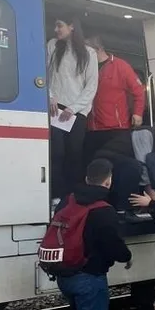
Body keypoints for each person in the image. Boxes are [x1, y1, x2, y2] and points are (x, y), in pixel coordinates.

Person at [55, 158, 132, 310]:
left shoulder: (66, 200)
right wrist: (127, 256)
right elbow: (113, 244)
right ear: (108, 181)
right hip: (89, 277)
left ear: (87, 178)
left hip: (64, 274)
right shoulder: (103, 209)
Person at [47, 18, 99, 203]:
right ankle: (56, 195)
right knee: (56, 153)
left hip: (77, 111)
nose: (56, 29)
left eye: (59, 25)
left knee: (74, 155)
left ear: (72, 26)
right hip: (56, 108)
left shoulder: (89, 53)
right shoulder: (52, 45)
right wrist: (50, 95)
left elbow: (91, 86)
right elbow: (45, 74)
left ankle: (72, 197)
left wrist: (74, 108)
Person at [96, 121, 155, 213]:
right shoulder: (146, 133)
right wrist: (150, 191)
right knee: (135, 167)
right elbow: (143, 163)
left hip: (122, 162)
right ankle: (124, 210)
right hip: (107, 158)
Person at [85, 35, 146, 155]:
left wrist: (138, 113)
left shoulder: (121, 66)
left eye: (86, 49)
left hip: (116, 128)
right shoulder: (86, 68)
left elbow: (139, 91)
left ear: (98, 49)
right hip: (92, 127)